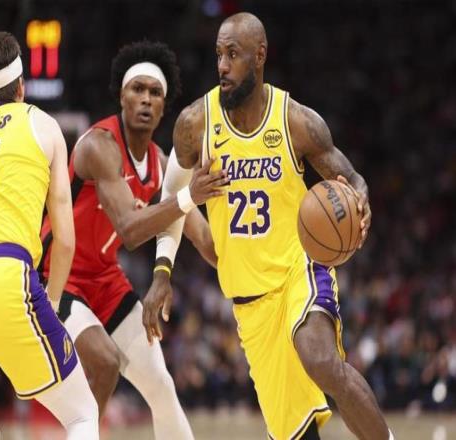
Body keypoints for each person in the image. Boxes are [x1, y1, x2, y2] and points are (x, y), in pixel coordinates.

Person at [142, 13, 395, 440]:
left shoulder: (294, 120)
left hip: (299, 269)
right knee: (297, 433)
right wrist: (162, 272)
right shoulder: (194, 124)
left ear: (259, 56)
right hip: (249, 301)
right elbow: (171, 200)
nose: (222, 65)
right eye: (218, 55)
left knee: (320, 359)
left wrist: (361, 196)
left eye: (233, 54)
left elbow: (351, 178)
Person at [40, 40, 226, 439]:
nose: (145, 98)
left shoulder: (161, 164)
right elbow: (129, 230)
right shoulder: (98, 146)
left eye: (154, 92)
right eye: (137, 89)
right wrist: (189, 196)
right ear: (121, 97)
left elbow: (207, 242)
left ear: (164, 106)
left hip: (105, 280)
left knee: (161, 385)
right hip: (58, 275)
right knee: (105, 363)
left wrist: (254, 258)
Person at [0, 32, 98, 439]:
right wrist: (50, 303)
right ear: (21, 86)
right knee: (82, 414)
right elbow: (65, 240)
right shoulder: (44, 125)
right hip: (6, 279)